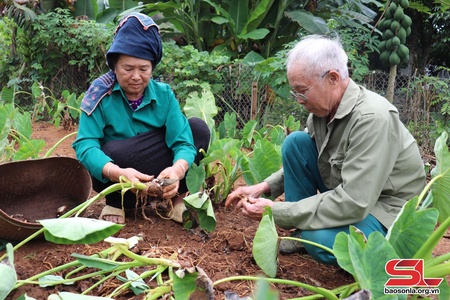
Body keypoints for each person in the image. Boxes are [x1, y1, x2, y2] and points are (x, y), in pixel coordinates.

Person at [225, 35, 426, 266]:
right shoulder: (322, 113)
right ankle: (302, 230)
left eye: (302, 91)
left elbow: (354, 201)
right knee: (296, 144)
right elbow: (308, 157)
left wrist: (278, 211)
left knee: (317, 239)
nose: (299, 100)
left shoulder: (372, 118)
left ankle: (317, 237)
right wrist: (264, 187)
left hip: (383, 209)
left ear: (332, 78)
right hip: (351, 195)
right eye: (295, 93)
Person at [73, 12, 210, 224]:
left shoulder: (163, 94)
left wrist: (177, 170)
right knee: (112, 151)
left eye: (144, 69)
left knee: (197, 130)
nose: (136, 76)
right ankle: (117, 203)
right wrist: (116, 172)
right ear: (115, 67)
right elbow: (85, 145)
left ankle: (176, 197)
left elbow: (182, 140)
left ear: (152, 68)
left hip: (157, 171)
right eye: (128, 69)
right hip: (117, 176)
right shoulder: (99, 95)